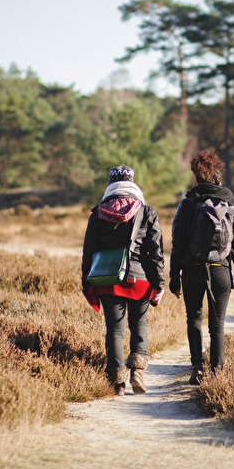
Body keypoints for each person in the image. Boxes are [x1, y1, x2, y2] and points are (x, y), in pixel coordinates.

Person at [169, 150, 234, 385]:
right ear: (217, 174)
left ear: (196, 175)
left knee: (193, 318)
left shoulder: (187, 204)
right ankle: (217, 372)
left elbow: (178, 243)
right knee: (218, 323)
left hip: (192, 269)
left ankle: (197, 368)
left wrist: (174, 277)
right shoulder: (230, 202)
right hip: (221, 269)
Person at [81, 165, 165, 396]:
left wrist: (86, 283)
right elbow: (156, 252)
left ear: (111, 184)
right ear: (132, 182)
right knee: (139, 325)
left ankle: (117, 381)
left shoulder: (98, 212)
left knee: (115, 331)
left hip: (109, 280)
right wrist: (160, 283)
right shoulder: (147, 212)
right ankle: (137, 371)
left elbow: (89, 251)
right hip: (141, 279)